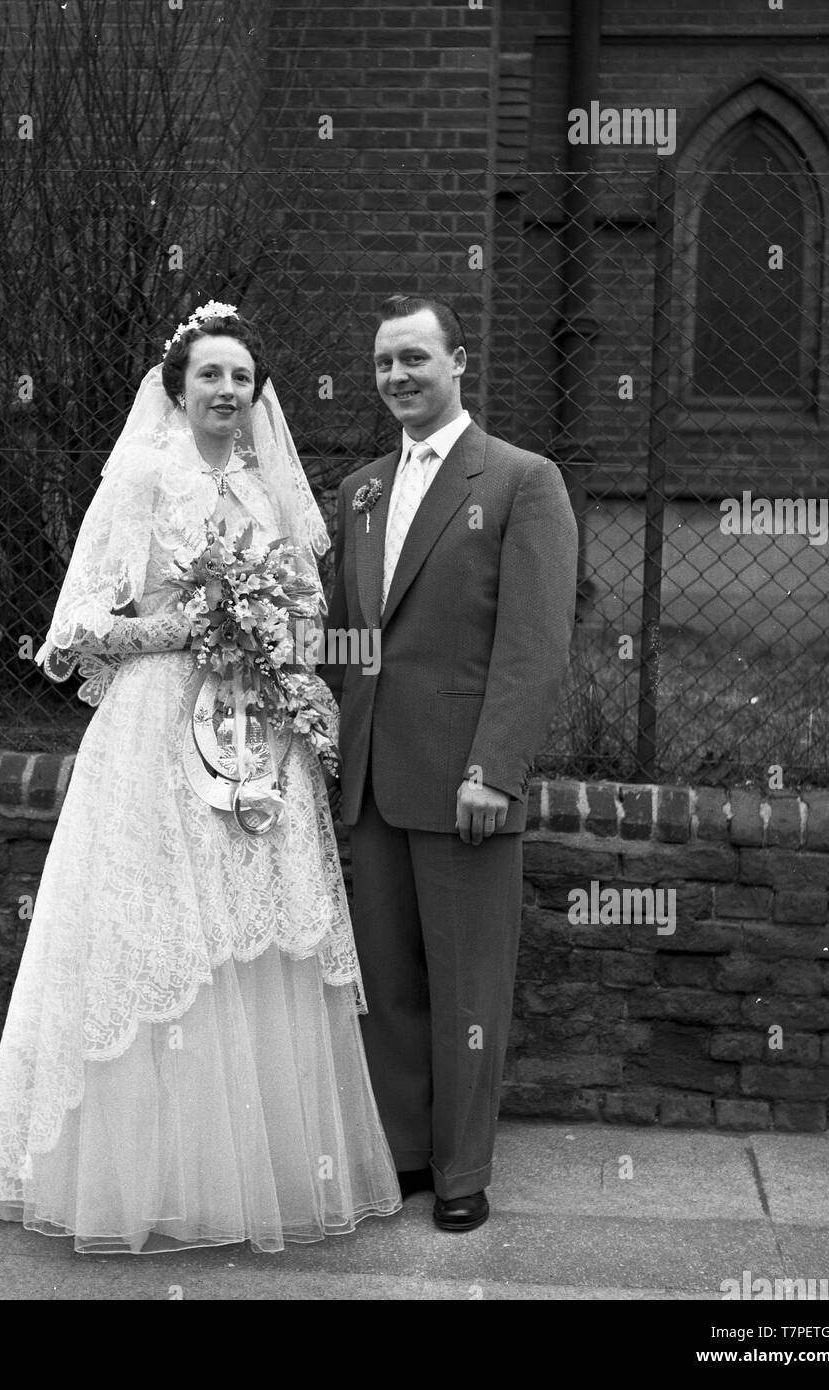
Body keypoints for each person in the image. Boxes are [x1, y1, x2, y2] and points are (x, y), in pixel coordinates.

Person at [0, 304, 401, 1254]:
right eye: (210, 375)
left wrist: (280, 663)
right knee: (156, 924)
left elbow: (302, 619)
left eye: (241, 378)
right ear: (178, 386)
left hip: (253, 732)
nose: (227, 392)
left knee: (249, 933)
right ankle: (138, 1170)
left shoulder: (267, 490)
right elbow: (76, 628)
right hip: (157, 729)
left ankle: (253, 1172)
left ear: (257, 394)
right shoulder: (142, 480)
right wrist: (184, 627)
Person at [322, 293, 578, 1232]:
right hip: (373, 783)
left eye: (416, 359)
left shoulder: (521, 481)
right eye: (385, 361)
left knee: (468, 985)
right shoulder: (358, 491)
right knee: (385, 982)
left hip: (465, 782)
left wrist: (496, 769)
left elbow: (535, 643)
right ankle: (404, 1153)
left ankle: (463, 1169)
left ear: (458, 362)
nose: (398, 376)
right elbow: (353, 639)